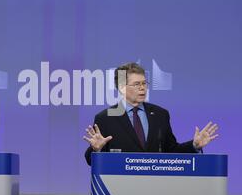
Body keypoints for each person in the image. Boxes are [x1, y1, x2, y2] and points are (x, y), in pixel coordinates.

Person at [83, 62, 218, 165]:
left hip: (156, 187)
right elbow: (91, 160)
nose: (142, 88)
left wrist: (194, 146)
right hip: (120, 189)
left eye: (144, 83)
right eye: (136, 84)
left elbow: (171, 151)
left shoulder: (160, 114)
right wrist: (96, 150)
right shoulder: (105, 118)